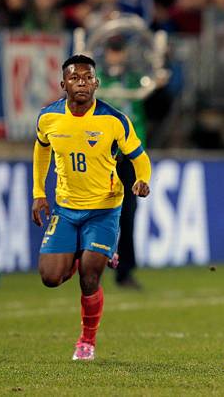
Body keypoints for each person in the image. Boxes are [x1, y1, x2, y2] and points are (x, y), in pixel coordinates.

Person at [31, 54, 152, 361]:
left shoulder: (114, 120)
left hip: (104, 209)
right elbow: (41, 150)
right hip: (66, 209)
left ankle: (86, 341)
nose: (81, 83)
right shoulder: (48, 118)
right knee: (49, 278)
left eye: (87, 78)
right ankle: (82, 254)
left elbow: (140, 157)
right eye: (75, 78)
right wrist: (38, 193)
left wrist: (142, 180)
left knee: (90, 276)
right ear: (63, 84)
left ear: (96, 83)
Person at [97, 35, 147, 289]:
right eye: (113, 51)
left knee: (128, 214)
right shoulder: (97, 81)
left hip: (130, 155)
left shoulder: (136, 79)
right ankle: (86, 266)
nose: (116, 56)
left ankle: (124, 270)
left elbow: (156, 101)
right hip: (102, 154)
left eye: (119, 51)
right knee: (91, 211)